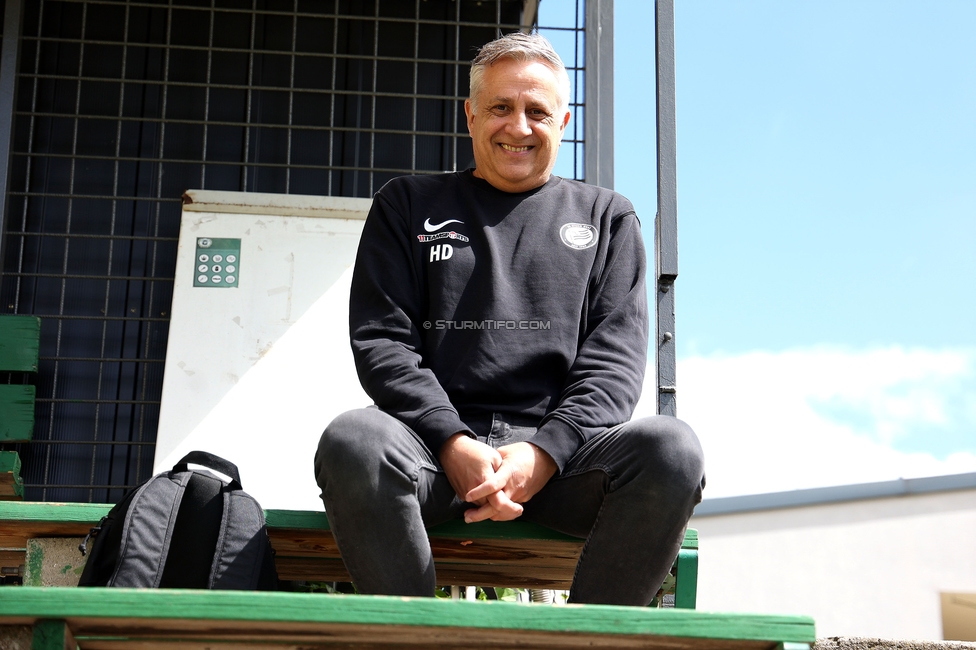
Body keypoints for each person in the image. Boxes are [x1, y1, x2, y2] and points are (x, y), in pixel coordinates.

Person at [314, 32, 704, 606]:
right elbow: (383, 343)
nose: (518, 127)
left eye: (536, 111)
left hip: (565, 467)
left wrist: (542, 454)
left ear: (563, 121)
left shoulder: (609, 218)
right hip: (432, 458)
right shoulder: (406, 205)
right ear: (471, 115)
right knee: (354, 438)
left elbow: (613, 366)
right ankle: (413, 645)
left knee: (672, 448)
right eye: (500, 107)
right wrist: (453, 442)